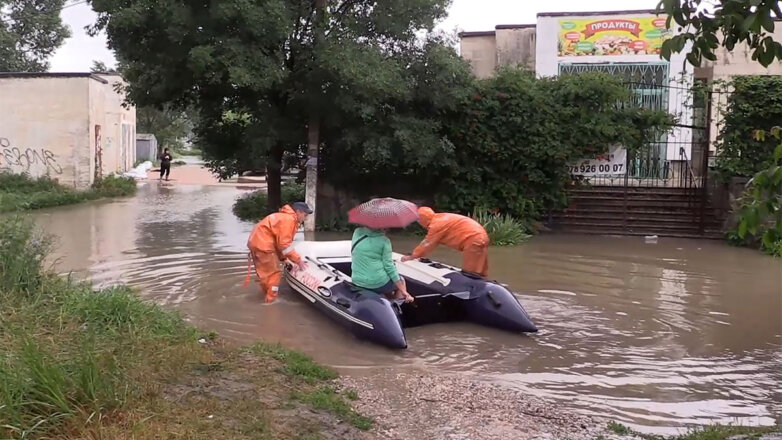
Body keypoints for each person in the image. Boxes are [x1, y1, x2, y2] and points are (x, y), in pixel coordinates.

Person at [246, 202, 312, 302]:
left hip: (257, 244)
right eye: (305, 215)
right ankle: (271, 302)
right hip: (264, 246)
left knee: (265, 274)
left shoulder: (283, 217)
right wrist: (299, 261)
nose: (305, 218)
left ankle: (267, 294)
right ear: (298, 212)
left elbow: (278, 242)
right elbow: (284, 245)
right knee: (275, 274)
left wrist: (283, 258)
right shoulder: (289, 220)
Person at [401, 206, 490, 278]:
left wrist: (412, 256)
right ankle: (482, 279)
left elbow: (428, 244)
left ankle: (473, 285)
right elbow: (432, 243)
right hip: (481, 236)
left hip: (473, 239)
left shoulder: (436, 225)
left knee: (470, 273)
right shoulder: (440, 218)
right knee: (480, 268)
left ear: (423, 219)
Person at [351, 226, 414, 303]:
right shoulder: (384, 241)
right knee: (401, 280)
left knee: (386, 282)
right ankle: (396, 307)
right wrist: (404, 291)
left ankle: (387, 301)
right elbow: (389, 267)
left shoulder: (357, 232)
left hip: (357, 280)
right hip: (376, 283)